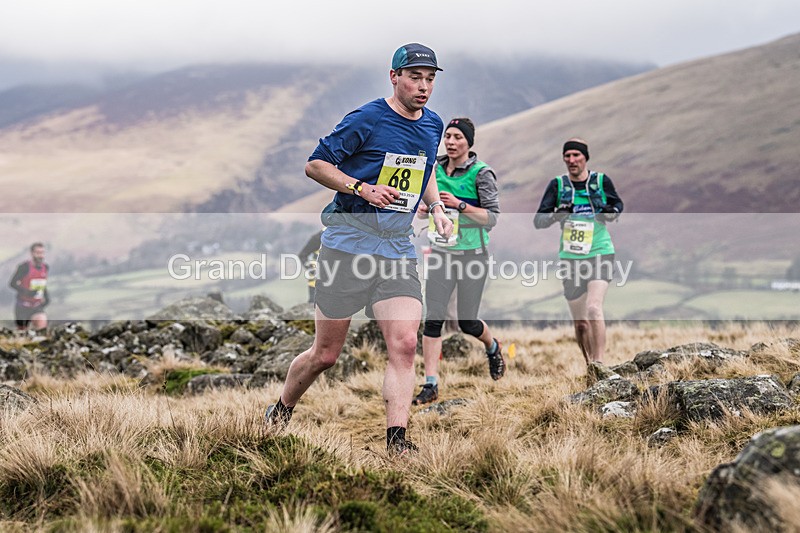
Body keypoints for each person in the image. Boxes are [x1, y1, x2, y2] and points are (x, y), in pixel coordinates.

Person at [265, 43, 453, 455]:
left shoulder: (434, 123)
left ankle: (397, 441)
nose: (423, 87)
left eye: (430, 79)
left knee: (404, 343)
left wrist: (436, 206)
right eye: (415, 78)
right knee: (326, 354)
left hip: (397, 248)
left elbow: (427, 168)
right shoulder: (367, 119)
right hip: (347, 245)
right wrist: (362, 188)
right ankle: (281, 409)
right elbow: (316, 164)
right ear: (394, 77)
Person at [413, 117, 504, 406]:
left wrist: (459, 205)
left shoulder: (481, 173)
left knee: (467, 321)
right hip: (441, 252)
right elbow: (422, 204)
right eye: (448, 137)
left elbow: (491, 218)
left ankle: (492, 347)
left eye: (457, 138)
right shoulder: (434, 168)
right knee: (433, 317)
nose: (451, 142)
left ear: (469, 143)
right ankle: (431, 384)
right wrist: (426, 209)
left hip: (472, 255)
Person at [534, 138, 623, 366]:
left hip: (600, 252)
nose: (571, 160)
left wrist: (609, 212)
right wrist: (556, 215)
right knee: (581, 323)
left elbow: (617, 206)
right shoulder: (558, 185)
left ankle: (599, 364)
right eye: (567, 156)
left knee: (594, 308)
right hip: (571, 258)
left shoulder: (601, 181)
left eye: (576, 155)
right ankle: (589, 364)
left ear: (585, 157)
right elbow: (538, 220)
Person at [9, 242, 50, 332]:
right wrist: (26, 292)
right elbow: (12, 283)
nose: (41, 255)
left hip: (36, 306)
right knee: (22, 334)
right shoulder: (24, 267)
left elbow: (42, 284)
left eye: (42, 253)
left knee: (42, 329)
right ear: (32, 253)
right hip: (22, 306)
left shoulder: (45, 267)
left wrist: (46, 297)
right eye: (38, 253)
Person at [297, 230, 323, 303]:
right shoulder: (320, 236)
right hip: (315, 284)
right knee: (313, 308)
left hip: (336, 284)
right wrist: (312, 271)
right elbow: (302, 255)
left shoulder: (343, 234)